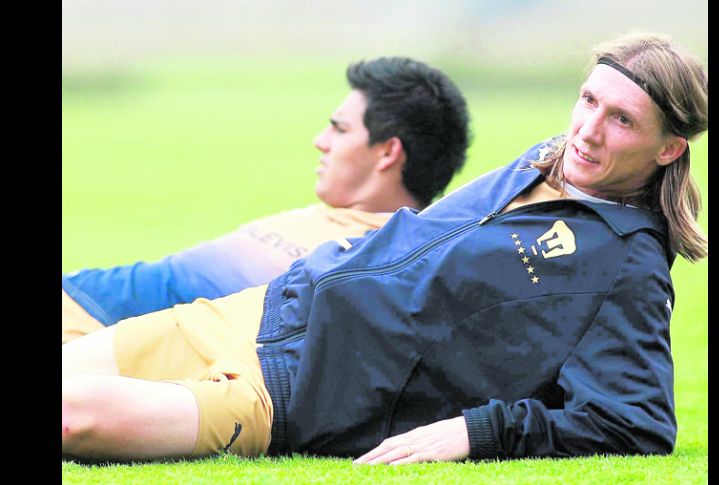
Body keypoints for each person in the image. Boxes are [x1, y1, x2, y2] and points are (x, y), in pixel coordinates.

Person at [62, 31, 708, 464]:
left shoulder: (629, 264)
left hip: (290, 393)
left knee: (72, 417)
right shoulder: (545, 158)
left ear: (669, 148)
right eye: (588, 100)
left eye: (621, 120)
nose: (588, 130)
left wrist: (475, 431)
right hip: (259, 310)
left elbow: (635, 421)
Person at [61, 56, 471, 344]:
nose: (321, 141)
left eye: (340, 129)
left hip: (96, 335)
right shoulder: (331, 216)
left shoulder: (376, 260)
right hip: (87, 296)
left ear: (387, 153)